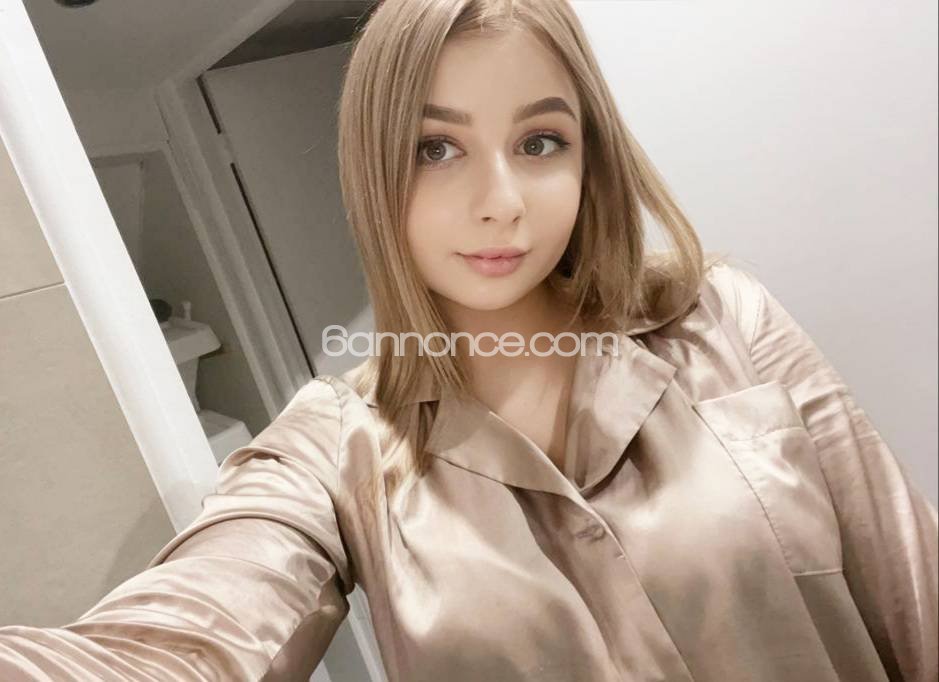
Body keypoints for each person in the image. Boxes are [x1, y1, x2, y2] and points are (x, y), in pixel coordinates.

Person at [2, 0, 936, 680]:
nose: (500, 201)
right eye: (434, 148)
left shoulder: (723, 319)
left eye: (540, 142)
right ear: (373, 170)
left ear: (589, 156)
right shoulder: (335, 447)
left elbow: (913, 595)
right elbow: (182, 642)